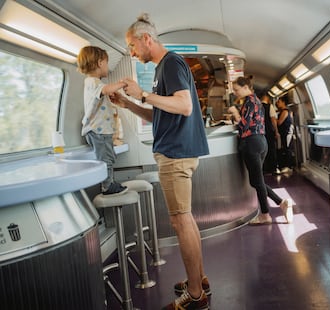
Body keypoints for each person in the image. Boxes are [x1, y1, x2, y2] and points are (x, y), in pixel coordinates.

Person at [109, 13, 210, 310]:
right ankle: (199, 279)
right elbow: (160, 115)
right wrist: (130, 103)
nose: (131, 51)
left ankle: (194, 295)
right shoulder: (160, 69)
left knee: (181, 221)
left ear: (146, 39)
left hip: (176, 155)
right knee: (185, 219)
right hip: (175, 151)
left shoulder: (171, 63)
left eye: (131, 45)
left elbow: (184, 105)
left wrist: (144, 94)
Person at [228, 76, 292, 225]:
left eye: (237, 90)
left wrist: (235, 113)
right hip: (261, 142)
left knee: (256, 181)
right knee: (257, 181)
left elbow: (244, 125)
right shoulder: (257, 101)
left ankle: (265, 215)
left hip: (251, 143)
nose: (235, 93)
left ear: (245, 88)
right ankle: (281, 203)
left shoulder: (249, 101)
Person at [77, 46, 128, 196]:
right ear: (100, 63)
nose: (108, 67)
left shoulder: (95, 83)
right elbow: (105, 89)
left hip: (101, 130)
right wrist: (123, 83)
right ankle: (107, 187)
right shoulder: (92, 82)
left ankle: (110, 183)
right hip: (97, 130)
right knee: (106, 159)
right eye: (107, 63)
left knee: (109, 156)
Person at [261, 93, 280, 175]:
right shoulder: (270, 106)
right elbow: (273, 120)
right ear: (268, 99)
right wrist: (276, 131)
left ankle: (263, 169)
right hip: (268, 130)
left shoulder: (257, 106)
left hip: (260, 131)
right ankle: (272, 168)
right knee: (271, 149)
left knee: (262, 150)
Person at [276, 95, 295, 173]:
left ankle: (288, 166)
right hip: (285, 132)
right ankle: (286, 165)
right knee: (286, 148)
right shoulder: (286, 111)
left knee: (287, 148)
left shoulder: (285, 111)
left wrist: (273, 119)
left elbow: (279, 122)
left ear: (283, 102)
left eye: (279, 102)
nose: (277, 103)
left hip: (287, 133)